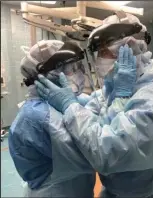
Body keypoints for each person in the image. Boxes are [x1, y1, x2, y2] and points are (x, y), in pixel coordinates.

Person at [35, 13, 153, 198]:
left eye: (104, 52)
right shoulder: (120, 83)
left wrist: (70, 106)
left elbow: (109, 152)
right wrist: (77, 100)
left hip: (144, 193)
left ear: (130, 47)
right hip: (113, 191)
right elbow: (99, 104)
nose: (99, 59)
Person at [8, 40, 96, 197]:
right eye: (72, 69)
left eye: (79, 67)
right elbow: (93, 154)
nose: (80, 74)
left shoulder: (62, 101)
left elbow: (92, 104)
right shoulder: (38, 117)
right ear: (50, 74)